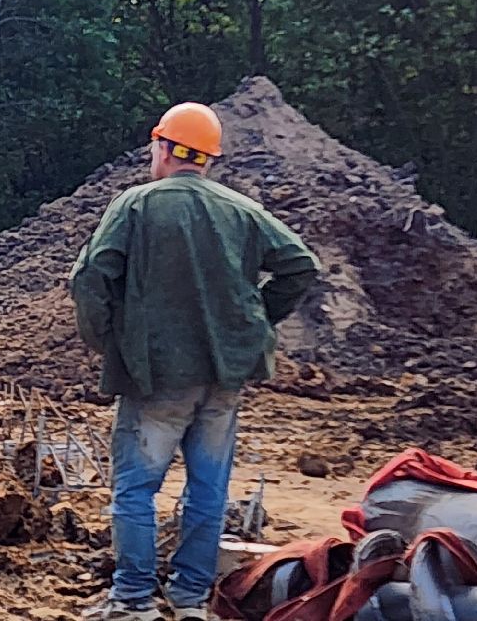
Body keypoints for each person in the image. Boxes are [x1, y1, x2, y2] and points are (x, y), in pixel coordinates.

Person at [70, 101, 320, 621]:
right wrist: (252, 327)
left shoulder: (136, 206)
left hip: (158, 376)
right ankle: (189, 602)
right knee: (209, 489)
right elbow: (300, 266)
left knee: (136, 489)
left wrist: (108, 342)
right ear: (207, 159)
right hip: (223, 378)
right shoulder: (241, 211)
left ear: (162, 147)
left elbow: (91, 277)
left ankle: (134, 600)